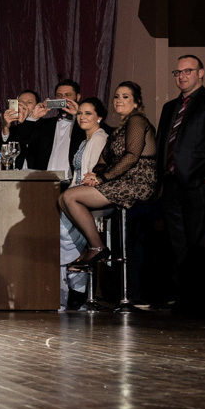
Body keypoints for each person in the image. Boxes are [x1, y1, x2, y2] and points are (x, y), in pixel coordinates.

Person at [155, 55, 205, 307]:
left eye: (187, 71)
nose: (182, 76)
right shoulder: (170, 107)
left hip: (198, 183)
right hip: (171, 183)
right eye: (177, 72)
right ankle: (184, 296)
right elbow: (162, 144)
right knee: (177, 243)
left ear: (201, 73)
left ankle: (202, 298)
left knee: (199, 242)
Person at [61, 82, 159, 271]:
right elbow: (104, 161)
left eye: (125, 96)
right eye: (116, 96)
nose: (119, 100)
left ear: (137, 102)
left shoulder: (137, 120)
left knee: (70, 196)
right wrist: (93, 174)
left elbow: (132, 157)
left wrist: (102, 178)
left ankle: (97, 247)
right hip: (121, 180)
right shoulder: (118, 129)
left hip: (137, 181)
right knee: (64, 198)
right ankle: (93, 246)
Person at [57, 97, 109, 308]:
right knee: (63, 231)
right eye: (80, 113)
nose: (83, 117)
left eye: (88, 113)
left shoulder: (100, 138)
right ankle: (71, 291)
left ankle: (77, 291)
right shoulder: (84, 141)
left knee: (66, 235)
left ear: (99, 117)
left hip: (91, 196)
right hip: (75, 194)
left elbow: (94, 174)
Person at [10, 80, 85, 174]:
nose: (63, 99)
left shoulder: (83, 124)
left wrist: (78, 115)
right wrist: (34, 117)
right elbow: (21, 140)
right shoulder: (46, 124)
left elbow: (101, 133)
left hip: (71, 182)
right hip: (45, 181)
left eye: (68, 95)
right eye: (59, 95)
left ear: (77, 97)